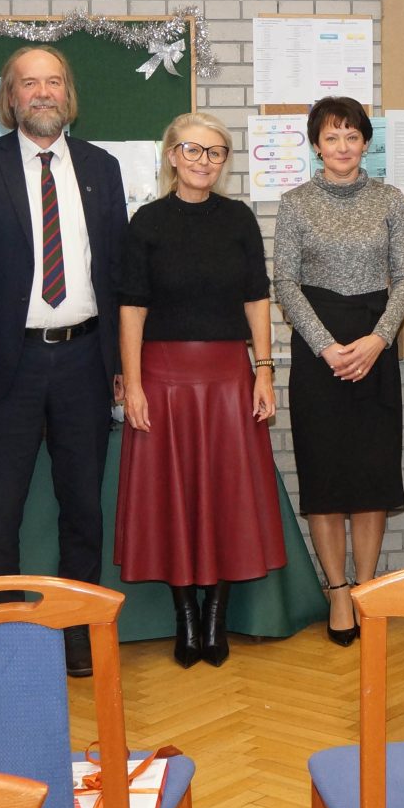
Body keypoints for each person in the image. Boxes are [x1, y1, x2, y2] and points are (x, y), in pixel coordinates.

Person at [0, 44, 126, 677]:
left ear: (67, 94)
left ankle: (77, 634)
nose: (42, 93)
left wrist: (121, 364)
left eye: (53, 82)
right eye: (29, 83)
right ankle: (7, 637)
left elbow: (116, 273)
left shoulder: (102, 167)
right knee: (0, 511)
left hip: (85, 361)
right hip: (7, 366)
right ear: (11, 97)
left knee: (83, 509)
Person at [116, 113, 287, 668]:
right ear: (172, 155)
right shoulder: (146, 222)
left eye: (215, 152)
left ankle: (216, 614)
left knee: (225, 497)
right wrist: (133, 384)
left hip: (228, 379)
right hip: (163, 381)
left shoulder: (239, 220)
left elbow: (257, 298)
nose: (203, 161)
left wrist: (264, 370)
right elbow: (132, 309)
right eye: (192, 149)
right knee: (172, 499)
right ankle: (184, 616)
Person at [274, 96, 404, 645]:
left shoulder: (390, 199)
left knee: (371, 480)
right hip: (320, 356)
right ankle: (337, 592)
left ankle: (366, 589)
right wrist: (326, 347)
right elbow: (285, 282)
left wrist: (379, 339)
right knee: (327, 478)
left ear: (365, 143)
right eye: (331, 137)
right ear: (316, 145)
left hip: (375, 348)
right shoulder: (295, 203)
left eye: (352, 136)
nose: (342, 146)